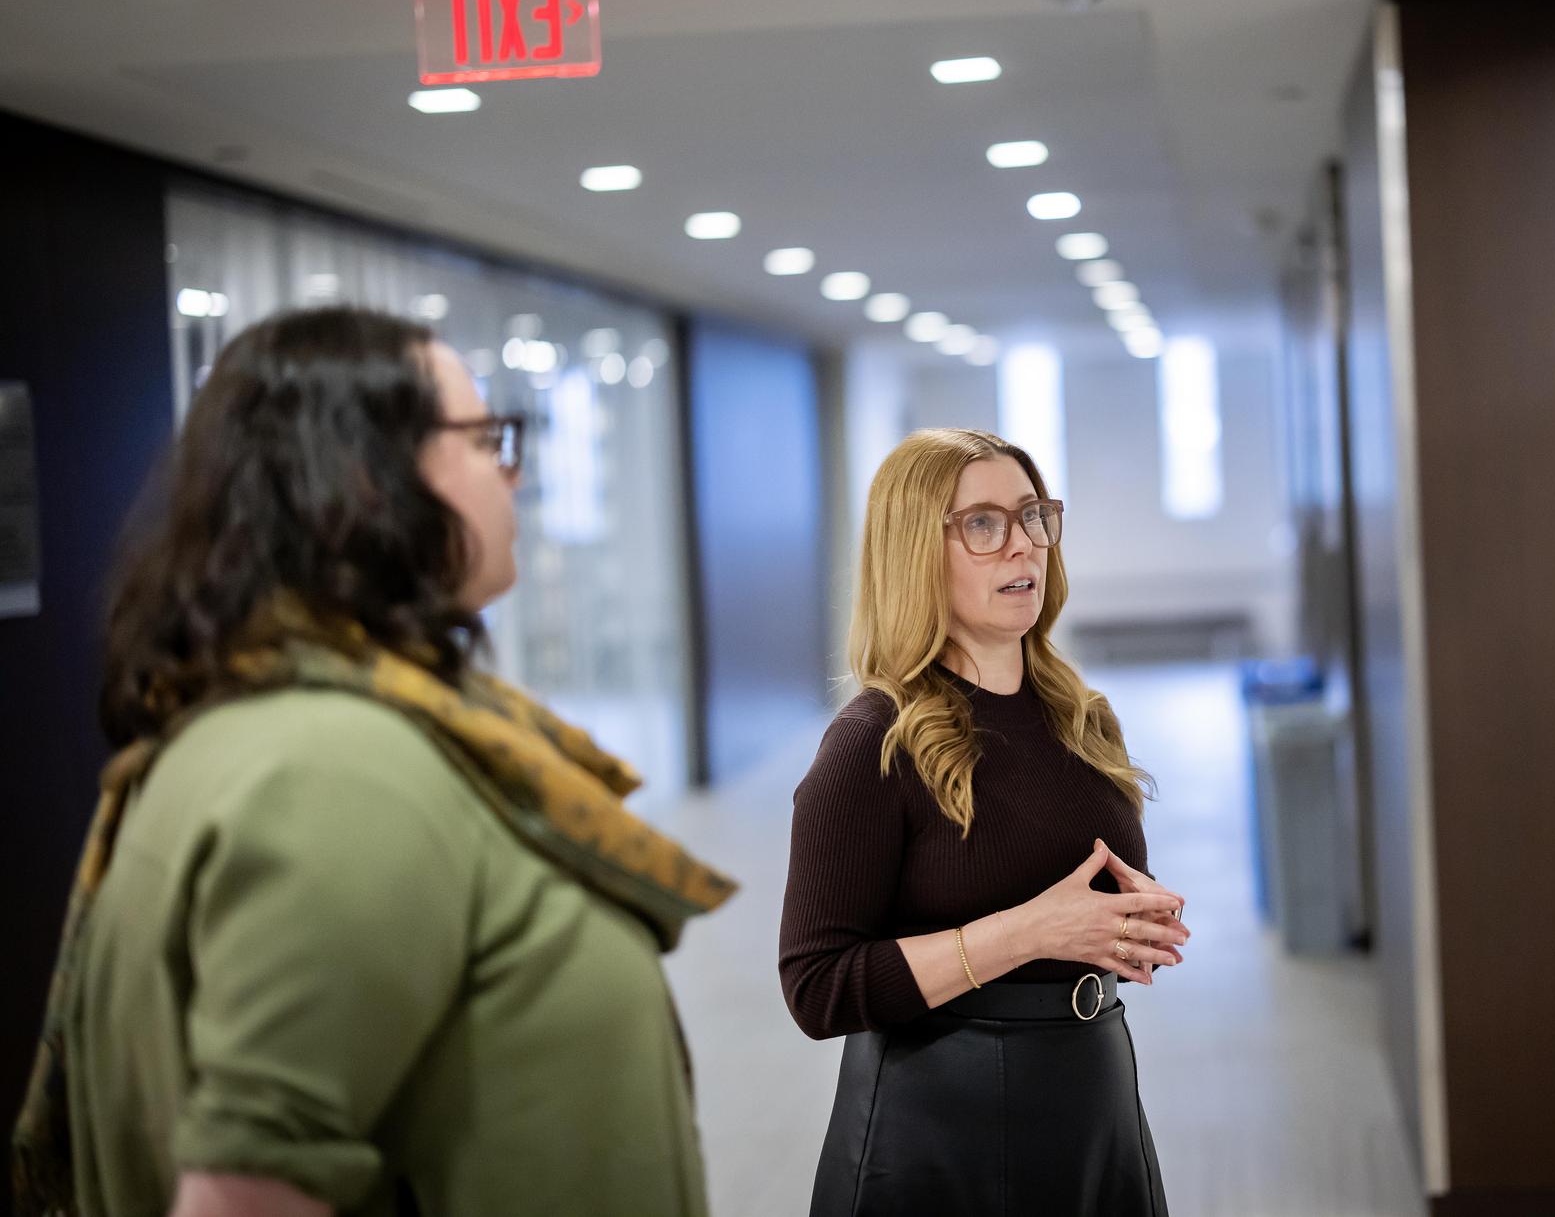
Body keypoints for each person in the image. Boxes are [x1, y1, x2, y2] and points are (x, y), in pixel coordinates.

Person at [11, 307, 734, 1217]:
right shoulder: (334, 769)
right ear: (361, 477)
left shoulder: (289, 722)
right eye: (485, 440)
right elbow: (245, 1193)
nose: (514, 472)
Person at [780, 426, 1190, 1215]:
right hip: (940, 1123)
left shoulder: (1082, 716)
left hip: (1092, 1092)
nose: (1023, 545)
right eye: (983, 523)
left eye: (1033, 516)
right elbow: (816, 985)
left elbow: (1067, 888)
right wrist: (1029, 932)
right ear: (914, 551)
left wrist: (1129, 922)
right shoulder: (873, 740)